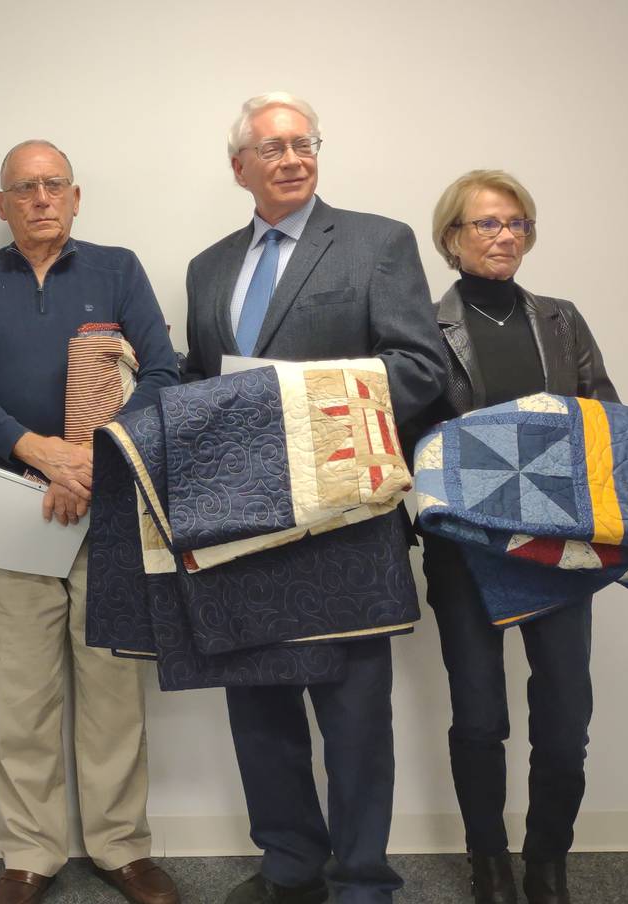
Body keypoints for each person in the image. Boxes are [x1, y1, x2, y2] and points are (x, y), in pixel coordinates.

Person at [182, 92, 447, 904]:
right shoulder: (208, 266)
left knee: (355, 718)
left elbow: (420, 368)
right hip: (242, 524)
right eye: (273, 148)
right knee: (260, 714)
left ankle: (363, 880)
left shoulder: (377, 242)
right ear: (239, 167)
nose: (293, 158)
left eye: (305, 143)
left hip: (346, 522)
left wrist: (299, 406)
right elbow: (204, 385)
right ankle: (291, 869)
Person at [0, 140, 181, 904]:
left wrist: (90, 456)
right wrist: (41, 451)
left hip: (109, 502)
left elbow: (167, 372)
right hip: (10, 500)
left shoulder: (118, 268)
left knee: (112, 684)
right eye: (24, 188)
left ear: (76, 198)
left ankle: (119, 846)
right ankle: (31, 853)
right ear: (1, 203)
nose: (40, 198)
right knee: (21, 692)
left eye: (53, 185)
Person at [419, 169, 618, 904]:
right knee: (478, 717)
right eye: (487, 224)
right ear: (452, 238)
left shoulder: (562, 318)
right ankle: (490, 865)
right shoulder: (423, 325)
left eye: (517, 224)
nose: (505, 236)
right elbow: (407, 434)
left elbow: (603, 420)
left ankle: (547, 864)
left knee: (566, 718)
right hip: (465, 547)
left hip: (560, 547)